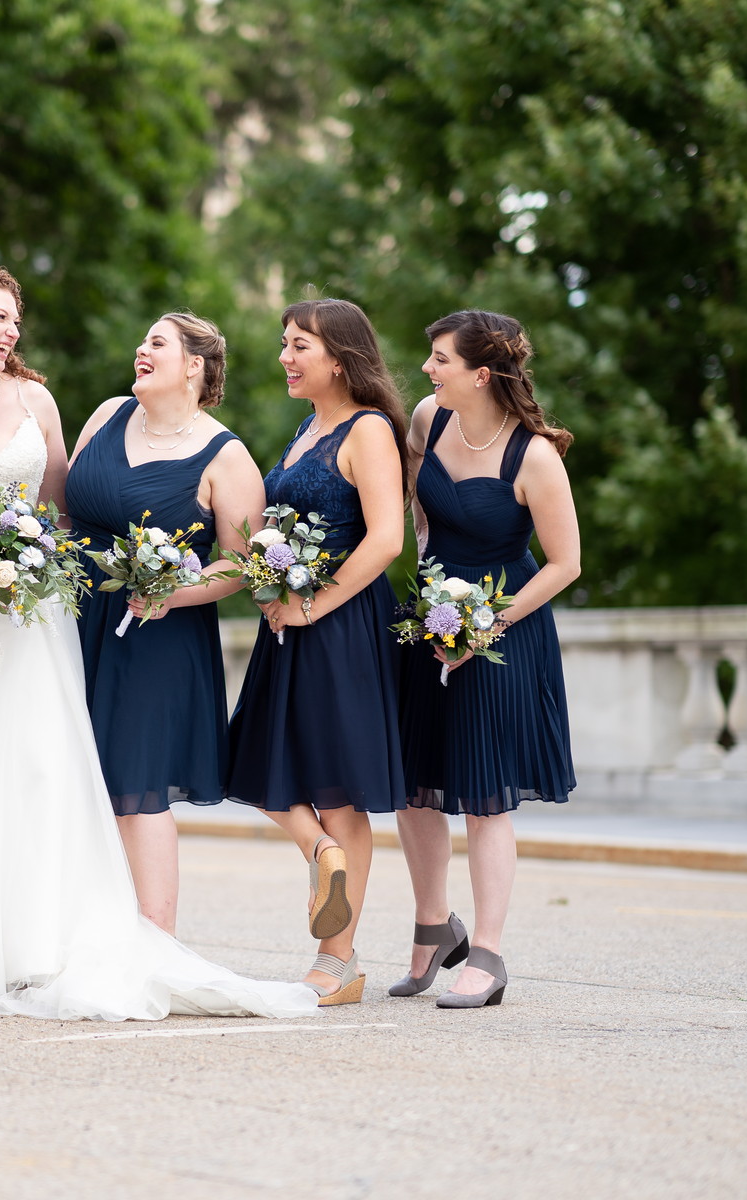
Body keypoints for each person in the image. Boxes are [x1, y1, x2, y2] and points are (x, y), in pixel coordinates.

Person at [0, 264, 316, 1020]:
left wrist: (17, 570)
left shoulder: (38, 401)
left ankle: (31, 946)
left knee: (35, 773)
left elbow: (59, 514)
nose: (12, 330)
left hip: (27, 623)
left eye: (16, 319)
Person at [223, 298, 409, 1006]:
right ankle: (319, 854)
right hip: (289, 622)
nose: (285, 357)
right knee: (259, 763)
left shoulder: (369, 431)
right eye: (284, 343)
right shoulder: (308, 429)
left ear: (340, 355)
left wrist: (315, 604)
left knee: (339, 794)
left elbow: (386, 538)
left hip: (340, 625)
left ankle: (339, 962)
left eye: (299, 345)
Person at [391, 310, 579, 1008]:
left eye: (439, 359)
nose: (427, 370)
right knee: (413, 788)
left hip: (504, 634)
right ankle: (433, 928)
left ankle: (490, 956)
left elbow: (566, 564)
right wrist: (431, 594)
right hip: (431, 622)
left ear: (481, 372)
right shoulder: (426, 421)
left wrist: (486, 626)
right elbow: (417, 514)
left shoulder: (533, 456)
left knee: (484, 798)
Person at [65, 313, 266, 932]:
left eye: (158, 343)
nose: (140, 350)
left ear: (196, 366)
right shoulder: (106, 416)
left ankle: (154, 944)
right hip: (72, 621)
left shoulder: (226, 457)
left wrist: (169, 592)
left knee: (135, 788)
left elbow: (241, 566)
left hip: (155, 635)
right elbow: (67, 517)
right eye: (142, 340)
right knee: (66, 778)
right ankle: (72, 936)